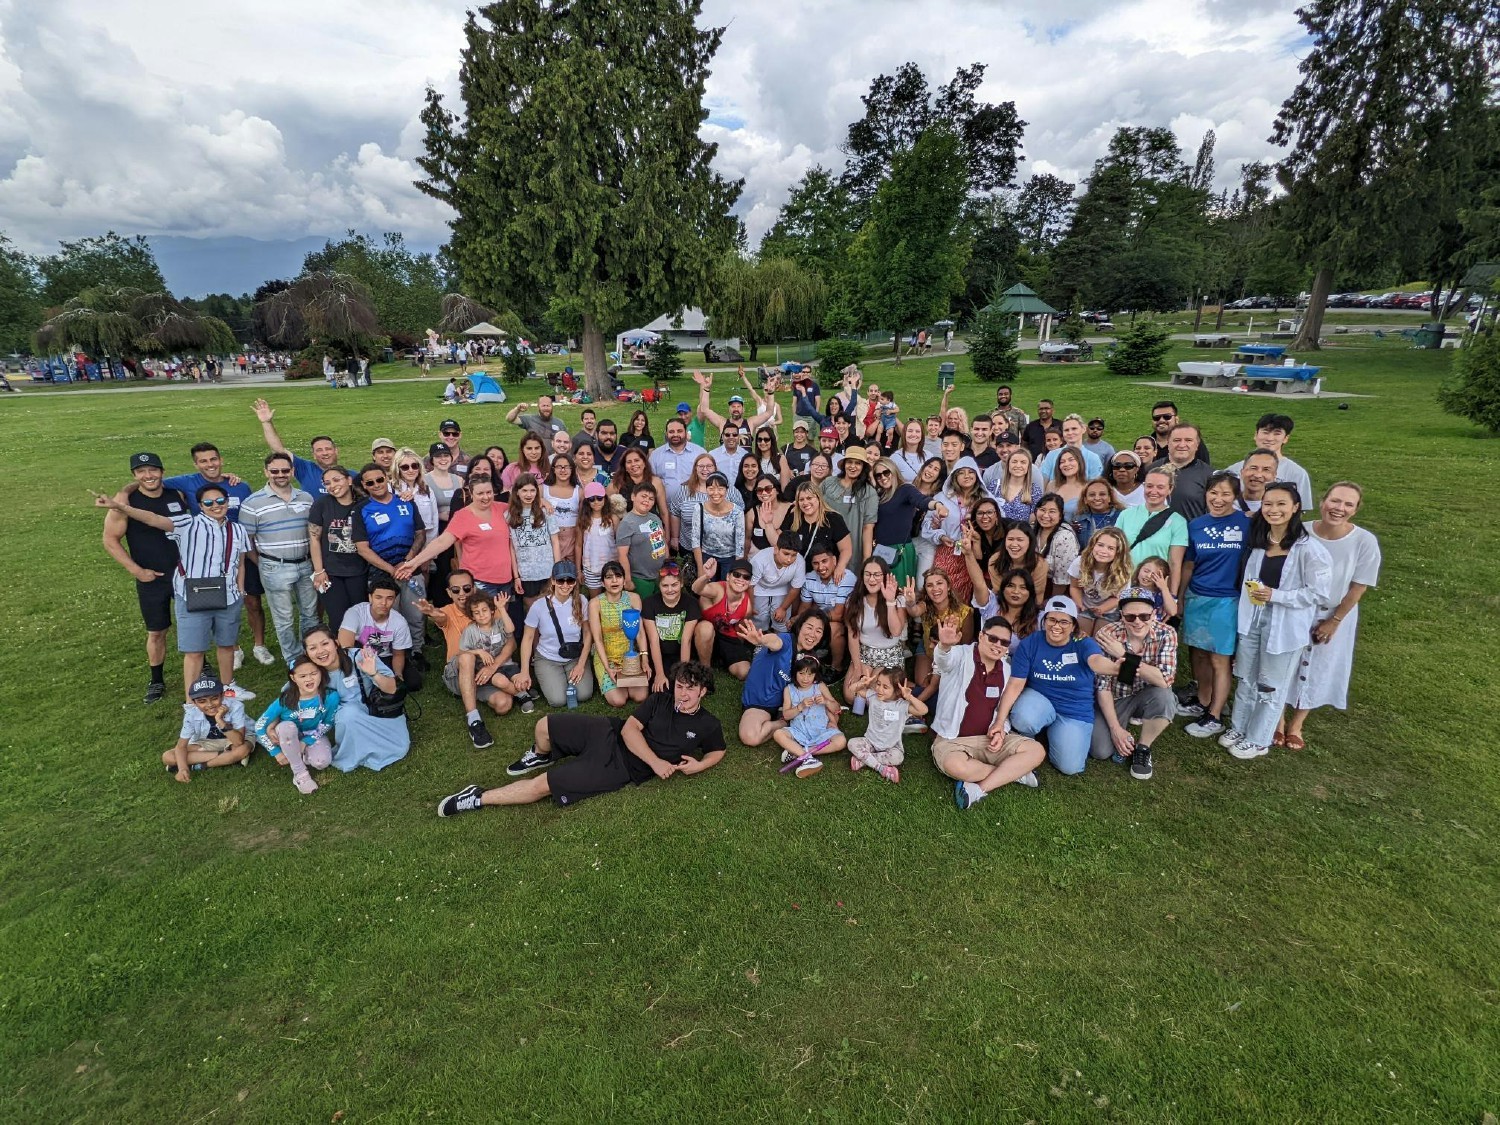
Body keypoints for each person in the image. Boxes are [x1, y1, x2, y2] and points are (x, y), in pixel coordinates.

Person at [437, 662, 725, 815]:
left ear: (703, 692)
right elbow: (629, 729)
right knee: (544, 725)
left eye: (691, 689)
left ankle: (477, 798)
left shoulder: (707, 724)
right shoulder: (660, 699)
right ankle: (541, 753)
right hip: (610, 732)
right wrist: (657, 762)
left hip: (619, 768)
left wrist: (700, 766)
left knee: (544, 784)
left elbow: (718, 751)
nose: (683, 694)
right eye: (680, 686)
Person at [93, 482, 256, 702]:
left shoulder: (237, 529)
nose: (215, 506)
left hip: (229, 595)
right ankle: (192, 700)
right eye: (208, 502)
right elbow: (153, 519)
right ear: (200, 505)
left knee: (226, 645)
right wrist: (120, 506)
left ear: (227, 502)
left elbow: (241, 562)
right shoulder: (188, 523)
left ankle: (229, 687)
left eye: (220, 501)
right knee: (195, 650)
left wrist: (241, 588)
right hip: (194, 594)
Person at [1220, 483, 1332, 760]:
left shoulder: (1309, 549)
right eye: (1269, 504)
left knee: (1270, 685)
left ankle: (1259, 739)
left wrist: (1276, 596)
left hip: (1285, 625)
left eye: (1282, 504)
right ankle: (1239, 727)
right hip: (1253, 620)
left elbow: (1318, 593)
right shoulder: (1260, 542)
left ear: (1295, 508)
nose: (1274, 510)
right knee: (1245, 677)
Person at [1283, 482, 1381, 747]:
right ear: (1323, 500)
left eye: (1348, 504)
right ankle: (1278, 720)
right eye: (1335, 501)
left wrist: (1335, 621)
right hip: (1296, 607)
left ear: (1356, 510)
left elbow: (1358, 586)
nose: (1339, 508)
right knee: (1285, 662)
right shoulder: (1300, 531)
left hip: (1334, 612)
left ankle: (1297, 724)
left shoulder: (1364, 541)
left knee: (1319, 665)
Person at [162, 441, 270, 666]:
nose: (209, 464)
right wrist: (123, 496)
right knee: (222, 604)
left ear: (220, 459)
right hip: (210, 557)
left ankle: (260, 646)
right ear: (196, 464)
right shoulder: (187, 482)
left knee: (252, 601)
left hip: (240, 549)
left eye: (213, 459)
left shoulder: (240, 486)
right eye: (203, 461)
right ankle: (234, 648)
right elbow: (151, 482)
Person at [929, 616, 1045, 810]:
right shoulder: (960, 655)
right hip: (953, 739)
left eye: (1004, 642)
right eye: (993, 639)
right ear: (981, 636)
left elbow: (1002, 711)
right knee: (955, 766)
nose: (998, 645)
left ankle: (979, 788)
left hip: (988, 740)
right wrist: (943, 645)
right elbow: (943, 660)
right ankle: (1014, 774)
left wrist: (1001, 731)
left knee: (1036, 751)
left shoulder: (1007, 670)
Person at [100, 451, 189, 703]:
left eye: (153, 470)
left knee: (192, 623)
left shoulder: (177, 495)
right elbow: (109, 539)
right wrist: (136, 570)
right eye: (141, 472)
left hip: (184, 574)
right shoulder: (125, 503)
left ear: (162, 471)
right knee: (157, 631)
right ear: (134, 475)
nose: (148, 476)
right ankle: (157, 679)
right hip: (153, 578)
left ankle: (200, 663)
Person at [992, 595, 1114, 776]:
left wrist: (1115, 668)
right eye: (1052, 619)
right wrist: (1000, 721)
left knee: (1069, 767)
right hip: (1039, 701)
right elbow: (1015, 685)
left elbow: (1095, 661)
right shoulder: (1030, 643)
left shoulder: (1083, 643)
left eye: (1064, 622)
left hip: (1074, 710)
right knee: (1025, 717)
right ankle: (1030, 735)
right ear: (1044, 620)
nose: (1056, 626)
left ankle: (1054, 732)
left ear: (1073, 625)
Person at [1177, 472, 1253, 738]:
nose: (1218, 499)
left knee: (1219, 658)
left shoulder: (1246, 524)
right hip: (1198, 596)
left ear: (1236, 497)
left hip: (1227, 600)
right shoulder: (1197, 525)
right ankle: (1202, 699)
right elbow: (1189, 563)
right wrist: (1181, 596)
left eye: (1226, 494)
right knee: (1197, 652)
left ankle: (1215, 715)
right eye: (1214, 493)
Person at [1090, 586, 1179, 781]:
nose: (1137, 622)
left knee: (1165, 697)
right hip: (1115, 697)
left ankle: (1143, 748)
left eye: (1144, 616)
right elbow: (1102, 686)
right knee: (1100, 751)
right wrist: (1116, 729)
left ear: (1154, 614)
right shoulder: (1107, 634)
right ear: (1122, 616)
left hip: (1148, 694)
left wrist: (1124, 655)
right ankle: (1121, 729)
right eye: (1131, 617)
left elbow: (1165, 680)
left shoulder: (1167, 633)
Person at [239, 451, 317, 664]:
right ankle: (293, 660)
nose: (280, 475)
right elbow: (247, 541)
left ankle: (310, 653)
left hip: (305, 563)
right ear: (266, 472)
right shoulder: (252, 502)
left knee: (310, 614)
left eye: (285, 470)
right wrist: (263, 561)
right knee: (284, 619)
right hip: (274, 566)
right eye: (275, 471)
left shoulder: (306, 498)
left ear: (292, 471)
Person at [301, 625, 410, 771]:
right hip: (346, 718)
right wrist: (270, 725)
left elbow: (391, 688)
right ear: (307, 653)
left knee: (400, 747)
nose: (320, 651)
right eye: (313, 648)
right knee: (348, 714)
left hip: (376, 714)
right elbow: (287, 696)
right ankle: (353, 749)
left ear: (336, 643)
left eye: (325, 643)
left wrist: (373, 674)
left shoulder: (360, 656)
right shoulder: (308, 671)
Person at [513, 561, 595, 711]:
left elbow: (588, 633)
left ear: (575, 582)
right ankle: (555, 678)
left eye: (570, 580)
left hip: (574, 656)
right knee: (558, 700)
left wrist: (581, 665)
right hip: (547, 658)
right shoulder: (538, 606)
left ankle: (567, 677)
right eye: (560, 580)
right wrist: (525, 670)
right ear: (553, 581)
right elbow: (528, 638)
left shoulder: (582, 601)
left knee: (584, 694)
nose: (565, 585)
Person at [445, 591, 522, 748]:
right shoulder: (471, 630)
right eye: (476, 613)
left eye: (484, 610)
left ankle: (518, 693)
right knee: (467, 657)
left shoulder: (498, 623)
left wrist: (502, 609)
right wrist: (479, 651)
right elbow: (461, 653)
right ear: (472, 615)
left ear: (492, 610)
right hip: (464, 673)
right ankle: (474, 721)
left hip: (486, 676)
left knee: (504, 705)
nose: (481, 615)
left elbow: (511, 635)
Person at [253, 659, 339, 794]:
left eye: (313, 673)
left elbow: (328, 723)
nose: (309, 679)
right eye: (303, 676)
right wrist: (275, 752)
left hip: (313, 734)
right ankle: (300, 773)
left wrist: (307, 741)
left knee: (321, 762)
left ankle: (298, 754)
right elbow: (259, 726)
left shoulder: (331, 696)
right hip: (288, 735)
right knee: (286, 727)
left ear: (321, 673)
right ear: (293, 678)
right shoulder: (285, 700)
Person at [1114, 467, 1189, 596]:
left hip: (1153, 588)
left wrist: (1172, 595)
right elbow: (1115, 550)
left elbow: (1175, 563)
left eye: (1160, 487)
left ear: (1169, 489)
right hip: (1123, 585)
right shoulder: (1126, 515)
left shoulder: (1178, 522)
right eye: (1149, 486)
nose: (1153, 491)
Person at [252, 399, 350, 497]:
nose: (325, 453)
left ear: (336, 451)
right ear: (314, 455)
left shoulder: (351, 475)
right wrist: (266, 422)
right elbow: (279, 450)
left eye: (328, 449)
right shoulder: (306, 469)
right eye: (319, 450)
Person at [842, 558, 908, 704]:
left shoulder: (898, 598)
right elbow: (853, 635)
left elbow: (896, 631)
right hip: (865, 653)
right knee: (850, 695)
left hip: (889, 655)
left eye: (877, 575)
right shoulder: (853, 600)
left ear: (885, 576)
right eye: (868, 574)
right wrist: (857, 666)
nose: (872, 579)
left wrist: (890, 601)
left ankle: (900, 687)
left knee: (875, 692)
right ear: (862, 576)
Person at [163, 675, 252, 781]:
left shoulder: (236, 706)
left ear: (222, 696)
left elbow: (238, 742)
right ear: (194, 702)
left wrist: (220, 720)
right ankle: (226, 758)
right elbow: (181, 746)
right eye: (202, 701)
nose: (209, 705)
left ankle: (197, 766)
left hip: (233, 739)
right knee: (168, 756)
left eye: (214, 698)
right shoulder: (191, 714)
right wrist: (182, 768)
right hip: (205, 742)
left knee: (242, 750)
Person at [773, 655, 846, 777]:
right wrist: (800, 706)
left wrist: (826, 701)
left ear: (815, 675)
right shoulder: (789, 689)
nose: (805, 679)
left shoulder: (820, 686)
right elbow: (786, 715)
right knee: (778, 734)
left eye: (810, 675)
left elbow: (836, 708)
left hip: (821, 731)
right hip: (798, 731)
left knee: (841, 741)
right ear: (795, 673)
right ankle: (808, 757)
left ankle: (801, 752)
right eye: (801, 673)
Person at [589, 561, 650, 707]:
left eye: (618, 576)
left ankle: (627, 680)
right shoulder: (595, 603)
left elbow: (640, 632)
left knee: (640, 696)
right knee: (619, 700)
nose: (614, 580)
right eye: (609, 577)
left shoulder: (634, 598)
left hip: (629, 656)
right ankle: (608, 676)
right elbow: (597, 639)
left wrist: (644, 659)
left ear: (624, 580)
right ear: (603, 583)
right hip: (606, 656)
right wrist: (608, 668)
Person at [1225, 413, 1314, 510]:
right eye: (1265, 432)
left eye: (1277, 433)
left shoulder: (1297, 474)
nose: (1269, 438)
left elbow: (1299, 511)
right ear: (1255, 435)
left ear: (1285, 438)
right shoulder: (1232, 471)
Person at [337, 576, 413, 685]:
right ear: (370, 598)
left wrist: (398, 675)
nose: (384, 603)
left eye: (389, 598)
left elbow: (398, 654)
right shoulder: (355, 612)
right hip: (359, 655)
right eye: (378, 597)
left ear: (394, 600)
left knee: (413, 682)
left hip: (385, 657)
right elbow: (345, 647)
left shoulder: (400, 622)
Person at [691, 558, 757, 678]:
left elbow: (739, 630)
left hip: (726, 636)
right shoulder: (718, 590)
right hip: (704, 633)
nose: (740, 580)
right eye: (736, 574)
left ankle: (721, 658)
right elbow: (696, 589)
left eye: (746, 577)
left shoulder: (747, 605)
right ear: (728, 576)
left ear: (749, 582)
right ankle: (706, 670)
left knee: (744, 672)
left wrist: (737, 651)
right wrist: (706, 576)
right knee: (706, 628)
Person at [641, 562, 701, 691]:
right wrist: (659, 674)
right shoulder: (649, 603)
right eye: (665, 585)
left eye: (674, 585)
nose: (670, 590)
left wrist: (683, 673)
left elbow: (686, 640)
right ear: (659, 586)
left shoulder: (691, 603)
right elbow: (653, 640)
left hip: (682, 653)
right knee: (662, 689)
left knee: (683, 687)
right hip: (660, 654)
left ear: (681, 583)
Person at [1067, 525, 1133, 636]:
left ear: (1118, 552)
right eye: (1100, 545)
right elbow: (1074, 587)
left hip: (1109, 610)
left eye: (1110, 548)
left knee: (1100, 636)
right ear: (1093, 545)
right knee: (1081, 635)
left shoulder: (1123, 572)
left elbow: (1117, 598)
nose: (1103, 551)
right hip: (1084, 606)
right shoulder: (1080, 562)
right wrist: (1080, 605)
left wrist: (1101, 609)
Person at [781, 484, 852, 584]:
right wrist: (768, 524)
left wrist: (840, 567)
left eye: (809, 498)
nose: (805, 502)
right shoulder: (793, 518)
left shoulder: (833, 518)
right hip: (797, 577)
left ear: (818, 498)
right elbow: (779, 542)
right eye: (801, 500)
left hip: (825, 576)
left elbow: (846, 549)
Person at [681, 470, 745, 578]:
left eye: (720, 489)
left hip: (729, 558)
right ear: (706, 490)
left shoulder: (737, 512)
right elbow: (695, 541)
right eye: (711, 489)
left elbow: (740, 545)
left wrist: (736, 570)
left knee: (726, 590)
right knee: (708, 590)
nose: (716, 493)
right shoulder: (699, 508)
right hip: (707, 556)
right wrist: (701, 569)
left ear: (726, 490)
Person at [616, 481, 671, 597]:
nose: (647, 500)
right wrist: (628, 580)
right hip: (640, 579)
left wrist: (668, 565)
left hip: (660, 575)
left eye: (651, 498)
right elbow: (622, 555)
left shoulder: (655, 518)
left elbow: (662, 541)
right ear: (633, 497)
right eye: (643, 496)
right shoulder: (626, 523)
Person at [1149, 423, 1213, 521]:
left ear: (1197, 444)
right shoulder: (1151, 469)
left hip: (1190, 534)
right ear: (1168, 443)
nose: (1182, 445)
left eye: (1188, 440)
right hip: (1154, 533)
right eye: (1177, 440)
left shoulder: (1209, 475)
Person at [749, 532, 806, 629]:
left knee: (781, 620)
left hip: (782, 588)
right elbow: (750, 585)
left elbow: (795, 588)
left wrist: (783, 608)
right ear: (776, 549)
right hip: (760, 588)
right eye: (786, 554)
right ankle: (758, 642)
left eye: (793, 555)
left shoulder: (800, 561)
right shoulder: (759, 559)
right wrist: (751, 606)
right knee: (759, 618)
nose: (789, 559)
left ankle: (780, 641)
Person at [1033, 493, 1081, 598]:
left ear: (1061, 515)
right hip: (1033, 587)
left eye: (1052, 512)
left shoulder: (1065, 537)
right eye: (1042, 510)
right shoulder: (1033, 530)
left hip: (1056, 592)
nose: (1046, 515)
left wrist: (1051, 601)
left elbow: (1062, 579)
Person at [578, 482, 618, 596]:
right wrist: (578, 570)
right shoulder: (583, 520)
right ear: (587, 501)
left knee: (613, 599)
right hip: (591, 566)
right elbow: (578, 545)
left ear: (605, 499)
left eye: (599, 498)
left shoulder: (613, 519)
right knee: (595, 600)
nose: (596, 502)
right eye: (591, 499)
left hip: (611, 566)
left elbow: (619, 543)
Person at [988, 447, 1042, 524]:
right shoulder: (995, 485)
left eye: (1023, 462)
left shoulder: (1034, 490)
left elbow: (1035, 517)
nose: (1018, 465)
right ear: (1008, 465)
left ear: (1028, 467)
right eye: (1014, 461)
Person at [1146, 401, 1210, 464]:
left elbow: (1204, 469)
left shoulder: (1191, 443)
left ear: (1176, 419)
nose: (1161, 420)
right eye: (1156, 418)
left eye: (1167, 417)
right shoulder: (1145, 444)